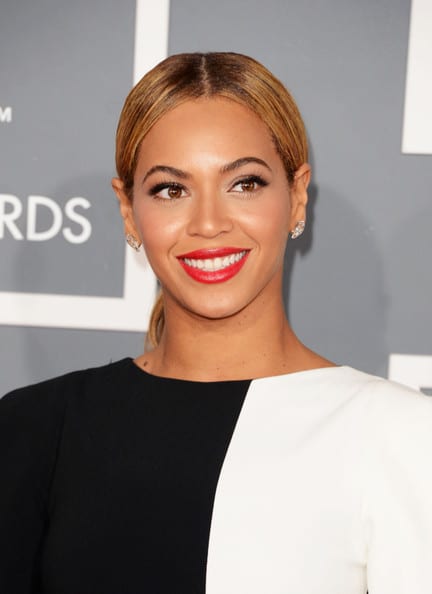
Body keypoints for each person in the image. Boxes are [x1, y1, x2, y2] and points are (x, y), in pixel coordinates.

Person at [1, 52, 431, 594]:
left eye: (244, 184)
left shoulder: (397, 436)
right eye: (170, 189)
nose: (208, 223)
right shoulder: (32, 429)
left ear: (297, 196)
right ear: (129, 211)